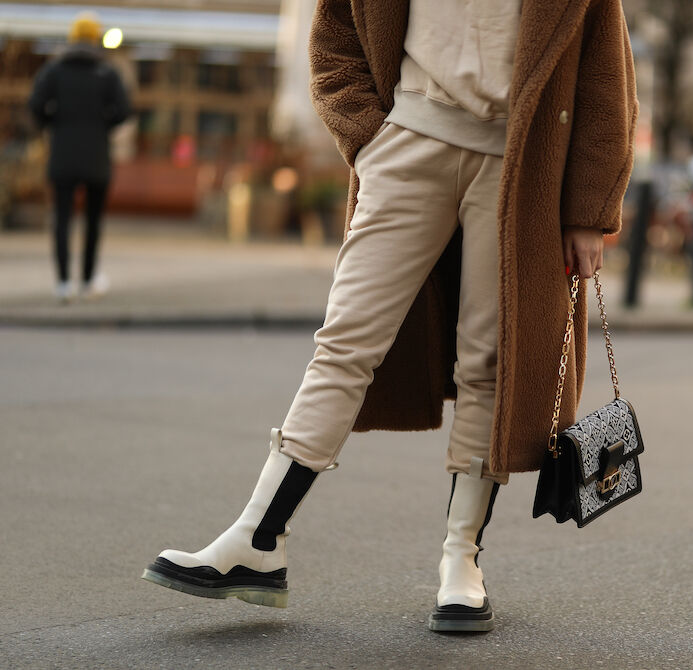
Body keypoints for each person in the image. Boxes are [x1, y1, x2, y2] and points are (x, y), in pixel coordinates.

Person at [142, 0, 637, 633]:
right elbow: (334, 39)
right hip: (406, 147)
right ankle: (257, 540)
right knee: (345, 341)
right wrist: (368, 139)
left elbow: (605, 82)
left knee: (489, 362)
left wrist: (589, 211)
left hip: (520, 171)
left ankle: (462, 562)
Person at [28, 12, 130, 303]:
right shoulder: (106, 72)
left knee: (61, 219)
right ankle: (87, 280)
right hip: (97, 157)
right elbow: (123, 110)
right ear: (96, 38)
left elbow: (35, 105)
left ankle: (63, 282)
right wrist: (101, 125)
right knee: (93, 222)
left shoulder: (55, 70)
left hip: (62, 155)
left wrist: (54, 124)